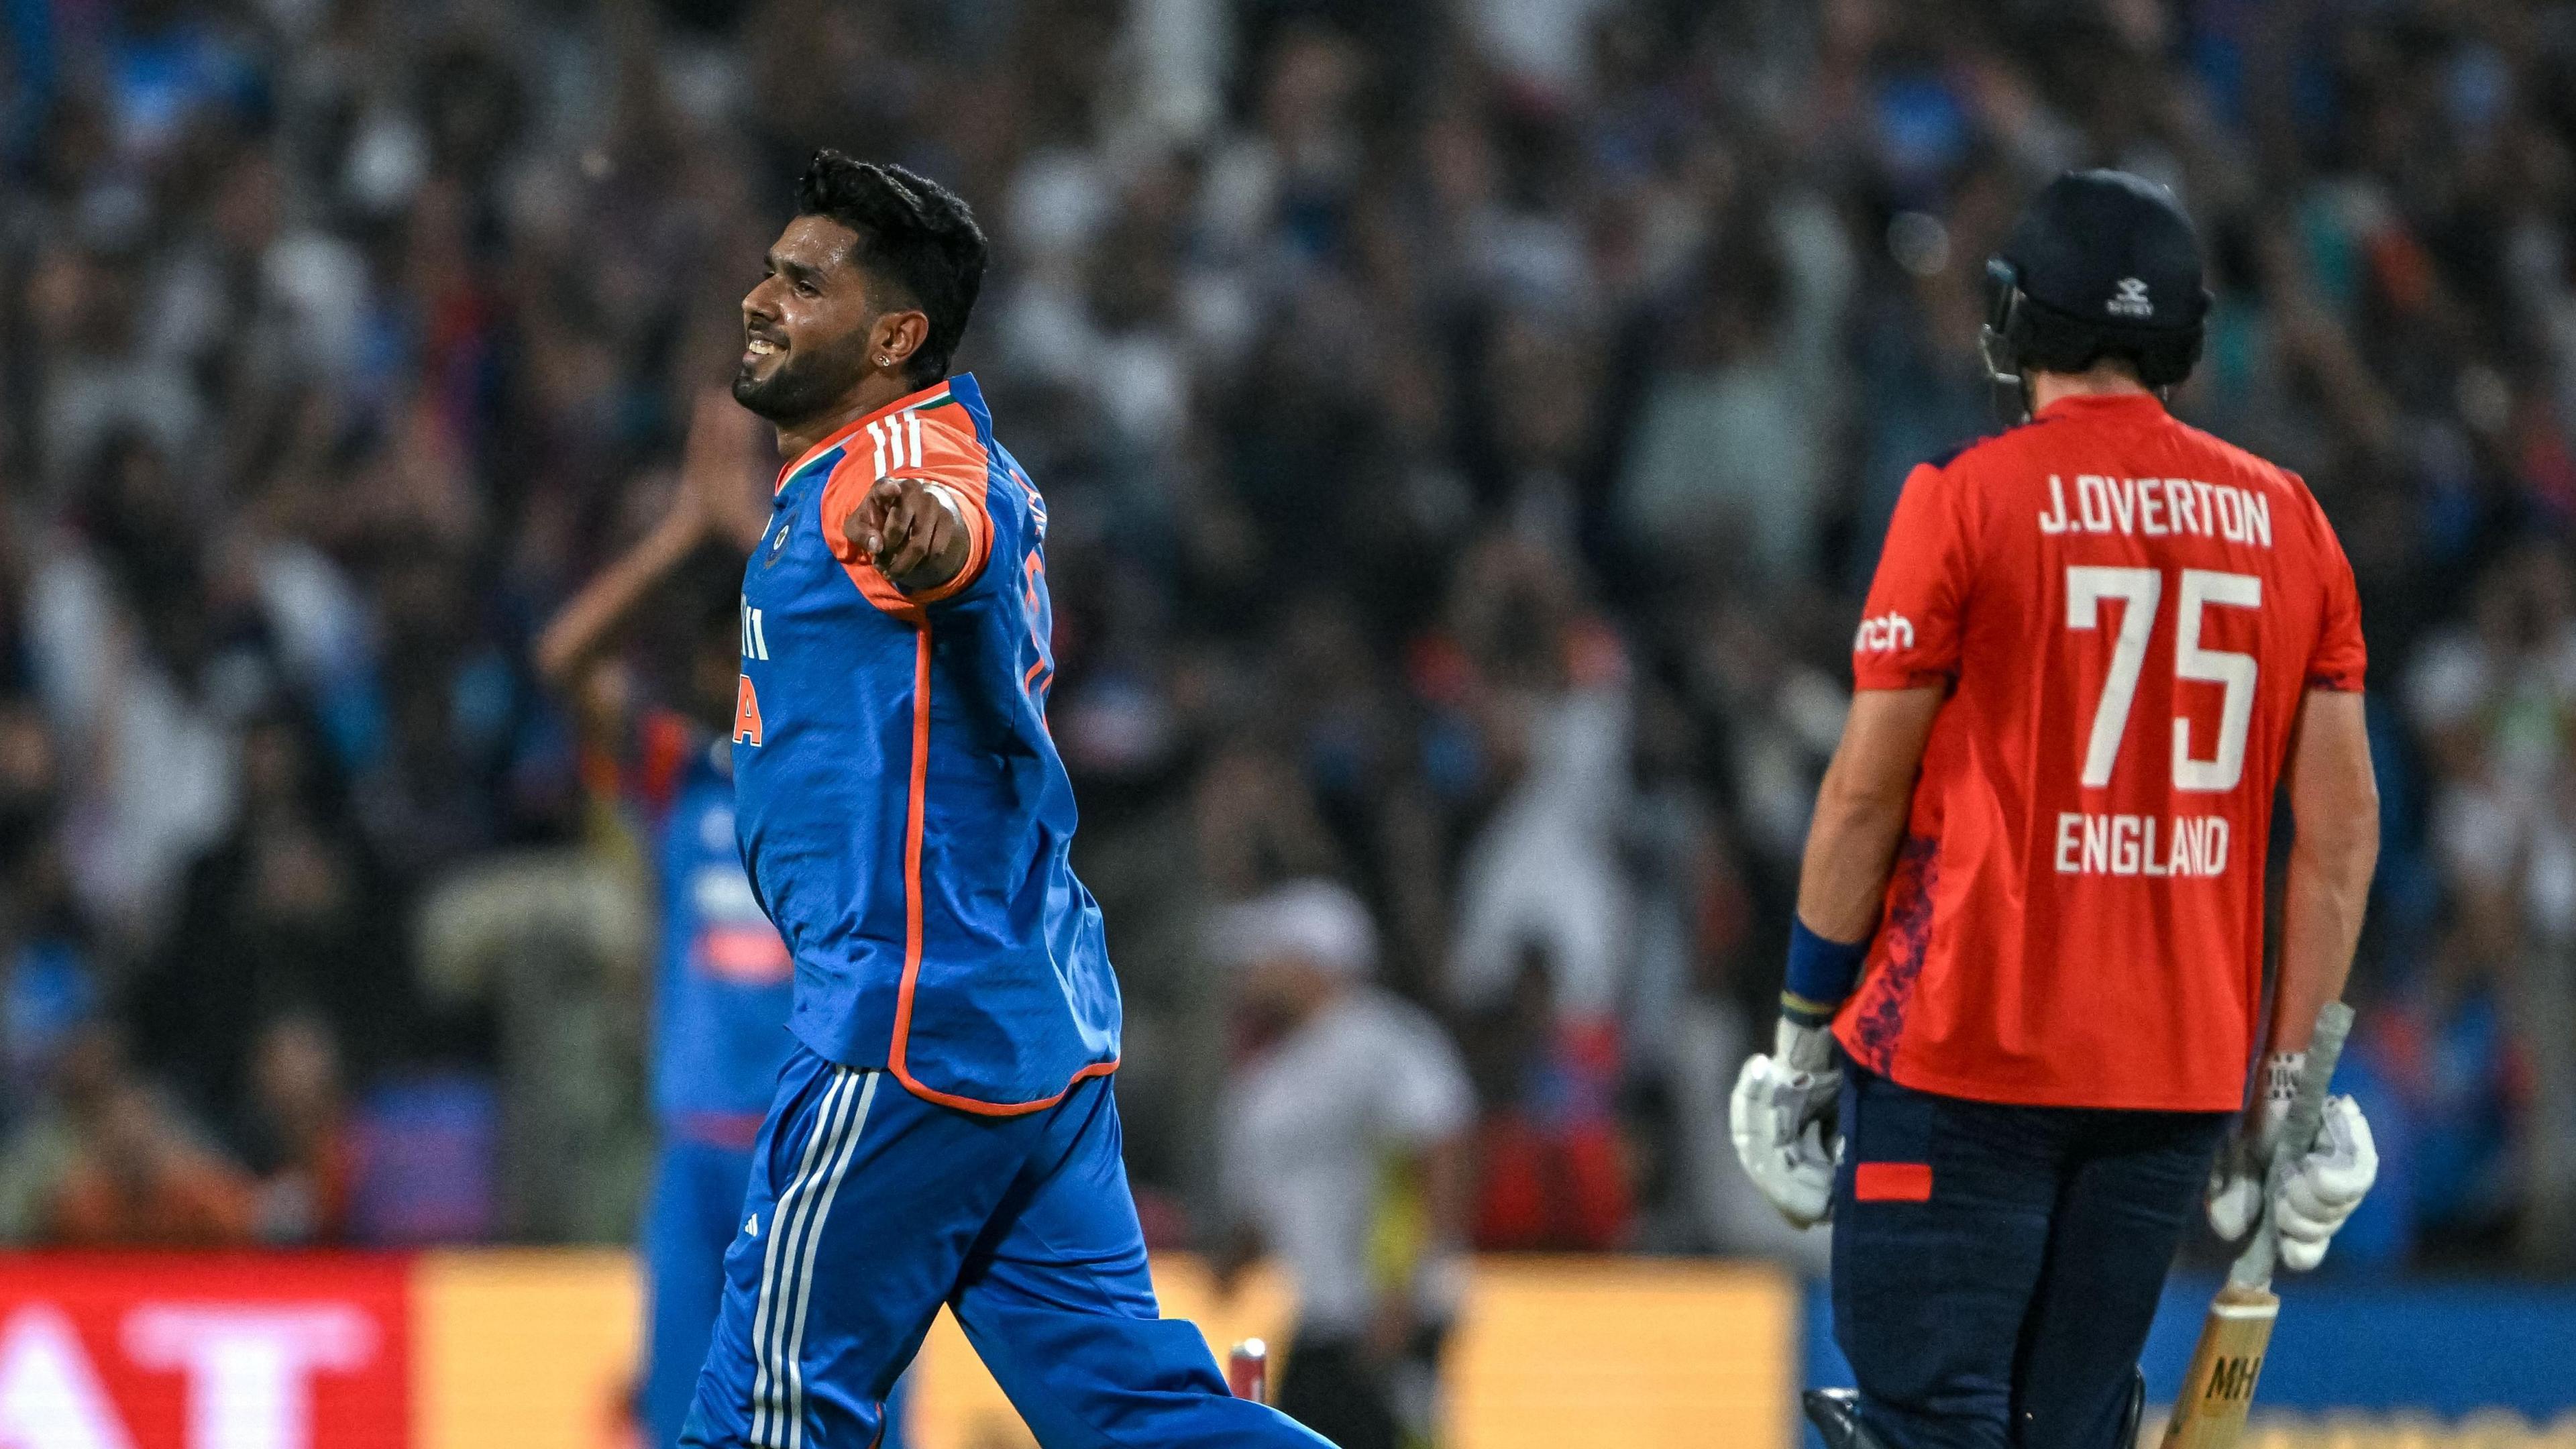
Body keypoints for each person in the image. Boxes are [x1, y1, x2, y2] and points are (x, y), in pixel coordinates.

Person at [1729, 171, 2385, 1449]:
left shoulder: (1965, 500)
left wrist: (1803, 1036)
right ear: (2185, 339)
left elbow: (1865, 795)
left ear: (2013, 319)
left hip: (1964, 1048)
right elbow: (2343, 835)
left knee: (1932, 1422)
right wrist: (2292, 1089)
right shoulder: (2294, 524)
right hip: (2174, 1076)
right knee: (2065, 1430)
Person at [682, 151, 1326, 1449]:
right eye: (770, 269)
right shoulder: (872, 464)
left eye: (804, 284)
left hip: (908, 1029)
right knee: (1131, 1413)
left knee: (766, 1413)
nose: (760, 298)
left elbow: (949, 533)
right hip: (1029, 1032)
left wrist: (935, 542)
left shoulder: (907, 464)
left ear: (895, 334)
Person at [535, 392, 820, 1449]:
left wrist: (749, 523)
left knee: (828, 1415)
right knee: (683, 1419)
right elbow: (564, 661)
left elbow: (886, 645)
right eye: (724, 659)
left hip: (815, 1155)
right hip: (694, 1149)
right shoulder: (680, 785)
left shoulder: (842, 776)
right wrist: (680, 537)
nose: (740, 676)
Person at [1212, 879, 1473, 1449]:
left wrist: (1406, 1289)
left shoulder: (1383, 1041)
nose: (1252, 971)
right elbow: (1283, 1199)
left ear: (1312, 962)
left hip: (1387, 1311)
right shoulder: (1275, 1072)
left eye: (1270, 956)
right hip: (1326, 1315)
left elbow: (1436, 1149)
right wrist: (1235, 1258)